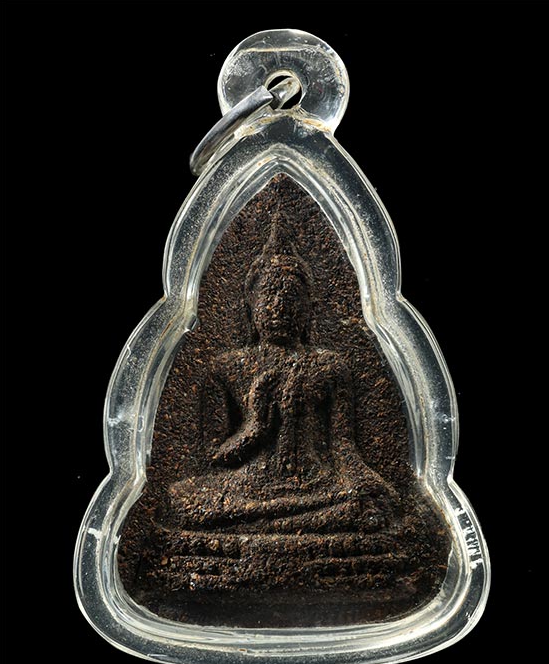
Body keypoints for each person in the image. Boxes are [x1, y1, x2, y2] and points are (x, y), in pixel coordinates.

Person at [168, 213, 400, 533]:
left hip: (316, 485)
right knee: (185, 502)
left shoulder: (330, 367)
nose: (279, 306)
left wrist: (366, 482)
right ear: (250, 308)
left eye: (291, 297)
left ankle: (273, 526)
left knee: (368, 506)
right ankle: (293, 526)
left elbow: (343, 448)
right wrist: (254, 429)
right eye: (269, 296)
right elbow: (214, 456)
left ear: (309, 309)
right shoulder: (226, 368)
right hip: (245, 487)